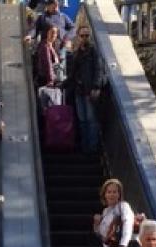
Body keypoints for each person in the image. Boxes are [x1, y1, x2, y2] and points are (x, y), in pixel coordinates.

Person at [69, 26, 103, 154]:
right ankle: (85, 146)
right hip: (79, 90)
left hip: (89, 90)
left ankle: (93, 147)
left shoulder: (93, 51)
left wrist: (96, 86)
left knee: (91, 119)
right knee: (82, 120)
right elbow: (73, 74)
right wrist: (61, 85)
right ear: (78, 36)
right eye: (82, 36)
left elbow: (98, 69)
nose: (84, 38)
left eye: (86, 35)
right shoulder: (77, 53)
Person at [93, 179, 136, 247]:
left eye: (115, 192)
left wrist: (123, 245)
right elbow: (102, 236)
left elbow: (128, 224)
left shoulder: (123, 206)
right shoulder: (105, 212)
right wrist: (96, 225)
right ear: (104, 194)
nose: (111, 195)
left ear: (119, 194)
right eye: (109, 192)